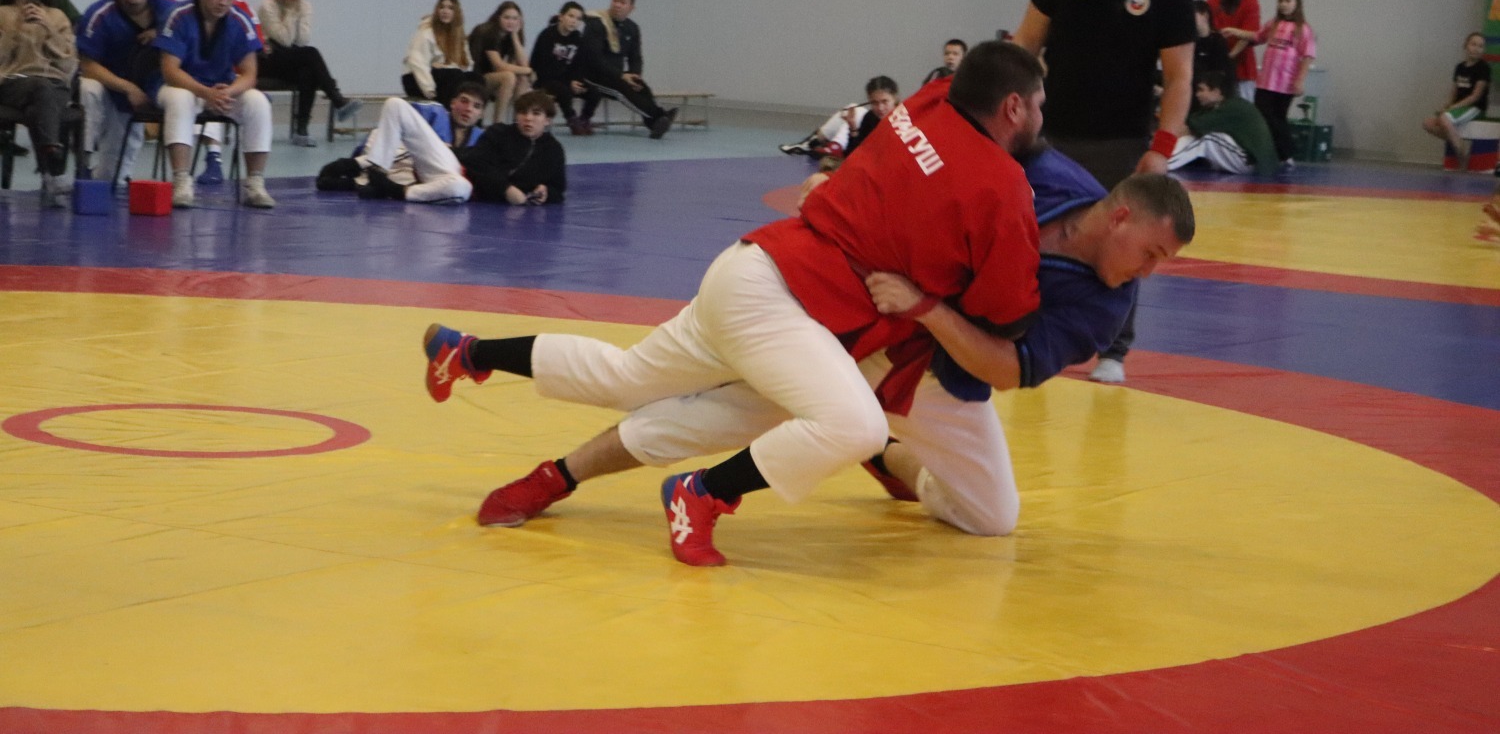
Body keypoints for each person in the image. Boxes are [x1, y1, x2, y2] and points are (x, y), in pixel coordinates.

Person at [421, 41, 1047, 567]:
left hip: (754, 268)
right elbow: (1008, 318)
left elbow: (955, 119)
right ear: (1013, 107)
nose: (1045, 116)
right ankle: (703, 494)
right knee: (851, 423)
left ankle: (471, 354)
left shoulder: (934, 98)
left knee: (627, 377)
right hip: (788, 305)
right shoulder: (1001, 187)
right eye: (1039, 104)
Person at [469, 165, 1193, 538]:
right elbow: (921, 166)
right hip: (858, 330)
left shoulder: (1106, 302)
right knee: (701, 412)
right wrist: (840, 183)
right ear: (1120, 216)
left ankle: (885, 454)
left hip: (941, 376)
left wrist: (928, 309)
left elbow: (1004, 370)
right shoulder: (1041, 178)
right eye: (1152, 252)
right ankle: (563, 477)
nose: (1150, 273)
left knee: (992, 517)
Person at [1012, 0, 1195, 386]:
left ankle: (1114, 349)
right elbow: (1026, 43)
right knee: (1035, 230)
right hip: (1049, 135)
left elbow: (1180, 78)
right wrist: (1009, 111)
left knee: (1127, 243)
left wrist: (1161, 149)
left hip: (1122, 142)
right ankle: (1025, 326)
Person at [153, 0, 276, 209]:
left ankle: (255, 183)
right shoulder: (178, 16)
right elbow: (170, 71)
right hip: (181, 87)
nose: (223, 2)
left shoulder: (240, 21)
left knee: (258, 102)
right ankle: (181, 181)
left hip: (220, 90)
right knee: (180, 98)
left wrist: (227, 93)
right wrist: (205, 93)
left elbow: (250, 74)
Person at [76, 0, 178, 187]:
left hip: (145, 90)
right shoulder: (100, 15)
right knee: (88, 88)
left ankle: (103, 178)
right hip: (109, 86)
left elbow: (186, 36)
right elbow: (87, 65)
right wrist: (127, 88)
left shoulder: (170, 9)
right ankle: (83, 159)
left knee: (112, 178)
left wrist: (160, 33)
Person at [318, 81, 486, 203]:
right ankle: (372, 172)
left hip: (432, 179)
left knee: (460, 187)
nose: (468, 109)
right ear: (453, 103)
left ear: (481, 114)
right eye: (464, 101)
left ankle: (374, 185)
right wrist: (355, 162)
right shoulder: (433, 113)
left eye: (476, 106)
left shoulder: (482, 138)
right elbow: (390, 133)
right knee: (395, 106)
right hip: (390, 158)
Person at [180, 0, 264, 186]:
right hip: (195, 84)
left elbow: (251, 63)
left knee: (228, 92)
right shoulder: (179, 13)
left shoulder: (240, 14)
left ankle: (222, 161)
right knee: (188, 94)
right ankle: (184, 176)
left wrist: (226, 90)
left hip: (229, 79)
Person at [0, 0, 78, 207]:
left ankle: (49, 169)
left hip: (53, 84)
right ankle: (54, 167)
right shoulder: (2, 14)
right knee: (39, 87)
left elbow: (68, 62)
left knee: (40, 101)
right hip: (13, 82)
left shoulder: (57, 16)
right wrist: (15, 30)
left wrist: (48, 28)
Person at [256, 0, 358, 146]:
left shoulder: (305, 6)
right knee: (311, 54)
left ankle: (301, 132)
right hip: (268, 59)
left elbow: (302, 40)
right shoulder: (267, 6)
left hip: (291, 59)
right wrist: (291, 11)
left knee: (308, 72)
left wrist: (298, 9)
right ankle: (337, 99)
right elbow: (285, 40)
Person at [1224, 0, 1317, 167]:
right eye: (1281, 1)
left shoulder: (1303, 29)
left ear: (1297, 3)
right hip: (1266, 82)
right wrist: (1235, 31)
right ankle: (1265, 152)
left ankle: (1286, 152)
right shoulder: (1273, 24)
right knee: (1262, 116)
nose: (1283, 4)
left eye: (1288, 1)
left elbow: (1308, 56)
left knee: (1277, 118)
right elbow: (1257, 36)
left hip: (1285, 84)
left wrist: (1299, 80)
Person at [580, 0, 677, 139]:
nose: (617, 5)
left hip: (616, 75)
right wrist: (621, 76)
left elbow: (635, 57)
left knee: (641, 87)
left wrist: (635, 75)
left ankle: (655, 124)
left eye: (622, 2)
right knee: (622, 88)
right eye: (615, 0)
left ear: (631, 8)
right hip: (592, 75)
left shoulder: (632, 28)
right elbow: (594, 59)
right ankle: (659, 116)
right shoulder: (596, 24)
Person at [462, 89, 567, 205]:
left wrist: (546, 192)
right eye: (523, 112)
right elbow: (476, 164)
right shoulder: (498, 133)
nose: (528, 118)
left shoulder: (553, 149)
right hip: (472, 190)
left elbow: (558, 188)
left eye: (536, 113)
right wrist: (505, 189)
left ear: (547, 120)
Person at [1167, 71, 1278, 178]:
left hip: (1253, 163)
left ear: (1216, 91)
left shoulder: (1232, 107)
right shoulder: (1223, 106)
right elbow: (1189, 123)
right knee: (1199, 135)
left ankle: (1166, 163)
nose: (1197, 94)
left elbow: (1191, 126)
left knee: (1208, 139)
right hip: (1250, 161)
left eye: (1201, 90)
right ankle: (1166, 158)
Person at [779, 75, 900, 159]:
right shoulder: (870, 118)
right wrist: (852, 128)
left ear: (895, 98)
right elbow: (852, 154)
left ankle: (833, 145)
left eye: (885, 101)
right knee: (852, 108)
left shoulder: (903, 120)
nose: (880, 108)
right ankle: (818, 143)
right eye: (874, 103)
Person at [1421, 32, 1490, 168]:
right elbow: (1454, 92)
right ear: (1466, 45)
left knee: (1445, 118)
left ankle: (1462, 155)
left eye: (1480, 46)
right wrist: (1447, 106)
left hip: (1475, 107)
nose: (1476, 49)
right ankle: (1458, 142)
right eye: (1473, 44)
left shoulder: (1483, 68)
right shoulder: (1460, 67)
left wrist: (1453, 108)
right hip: (1459, 108)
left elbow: (1475, 96)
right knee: (1428, 123)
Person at [529, 1, 600, 134]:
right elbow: (542, 67)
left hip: (568, 80)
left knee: (594, 92)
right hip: (546, 80)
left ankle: (585, 118)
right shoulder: (547, 35)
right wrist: (569, 82)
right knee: (563, 91)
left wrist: (576, 80)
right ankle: (571, 119)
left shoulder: (578, 38)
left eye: (578, 19)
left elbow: (580, 64)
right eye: (571, 16)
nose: (574, 21)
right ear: (561, 17)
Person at [467, 1, 534, 125]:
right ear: (498, 18)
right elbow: (499, 66)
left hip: (491, 77)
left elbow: (523, 64)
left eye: (514, 19)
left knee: (523, 79)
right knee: (508, 77)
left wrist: (515, 37)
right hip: (475, 77)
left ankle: (517, 123)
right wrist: (529, 70)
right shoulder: (488, 32)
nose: (510, 22)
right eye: (506, 18)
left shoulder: (509, 36)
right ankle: (498, 123)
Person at [1206, 0, 1261, 101]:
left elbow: (1250, 34)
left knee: (1243, 104)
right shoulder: (1213, 1)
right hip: (1216, 64)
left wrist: (1229, 57)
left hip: (1242, 65)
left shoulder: (1250, 2)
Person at [402, 0, 471, 104]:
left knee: (475, 78)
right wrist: (429, 90)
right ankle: (444, 112)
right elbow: (417, 62)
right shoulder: (426, 33)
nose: (445, 11)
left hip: (444, 76)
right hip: (417, 79)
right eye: (442, 7)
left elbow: (466, 64)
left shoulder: (459, 37)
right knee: (453, 75)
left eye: (450, 8)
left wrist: (447, 66)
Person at [1192, 0, 1231, 86]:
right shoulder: (1189, 42)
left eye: (1192, 15)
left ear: (1205, 16)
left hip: (1212, 86)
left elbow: (1222, 70)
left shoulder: (1218, 41)